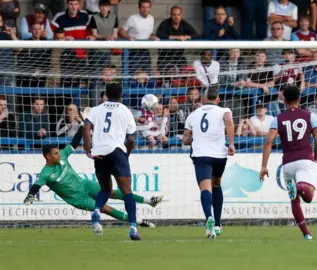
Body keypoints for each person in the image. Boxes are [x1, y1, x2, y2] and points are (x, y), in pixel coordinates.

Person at [23, 127, 163, 228]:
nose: (58, 154)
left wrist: (83, 127)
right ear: (48, 156)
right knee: (105, 208)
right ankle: (137, 221)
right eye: (55, 153)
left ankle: (148, 201)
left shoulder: (63, 155)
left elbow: (74, 142)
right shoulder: (45, 173)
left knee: (111, 191)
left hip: (84, 185)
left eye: (58, 152)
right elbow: (37, 185)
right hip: (77, 198)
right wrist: (30, 195)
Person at [260, 85, 317, 240]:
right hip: (305, 160)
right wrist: (316, 155)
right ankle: (299, 186)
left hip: (287, 164)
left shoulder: (278, 119)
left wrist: (264, 166)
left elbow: (268, 142)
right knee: (307, 197)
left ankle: (306, 234)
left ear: (285, 100)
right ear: (299, 99)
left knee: (294, 200)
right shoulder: (309, 116)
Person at [83, 83, 139, 240]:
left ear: (106, 94)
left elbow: (86, 128)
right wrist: (126, 154)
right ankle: (133, 227)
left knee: (105, 189)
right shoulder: (125, 111)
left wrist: (88, 150)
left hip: (99, 153)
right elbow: (131, 138)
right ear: (121, 95)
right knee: (127, 191)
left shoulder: (96, 109)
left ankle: (96, 211)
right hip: (117, 151)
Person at [182, 86, 235, 239]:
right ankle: (218, 225)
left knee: (206, 188)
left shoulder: (193, 115)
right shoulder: (224, 110)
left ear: (203, 100)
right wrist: (231, 143)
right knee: (216, 184)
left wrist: (195, 137)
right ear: (218, 100)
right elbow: (229, 121)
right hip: (219, 155)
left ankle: (209, 219)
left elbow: (186, 139)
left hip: (201, 156)